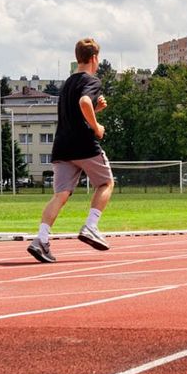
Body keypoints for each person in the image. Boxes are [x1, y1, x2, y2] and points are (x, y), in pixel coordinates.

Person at [27, 38, 113, 263]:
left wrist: (96, 109)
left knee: (60, 195)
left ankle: (41, 239)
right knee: (105, 183)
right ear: (94, 58)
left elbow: (78, 110)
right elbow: (84, 102)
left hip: (62, 146)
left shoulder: (66, 83)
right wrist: (97, 127)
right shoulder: (91, 80)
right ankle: (91, 226)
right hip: (83, 144)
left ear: (77, 57)